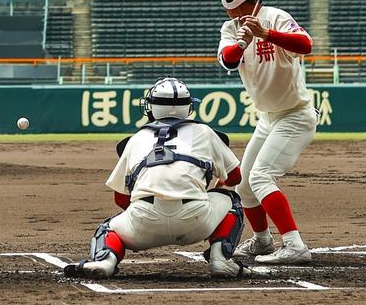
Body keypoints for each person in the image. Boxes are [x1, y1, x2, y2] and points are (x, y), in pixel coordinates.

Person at [62, 77, 246, 280]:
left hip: (144, 221)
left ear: (153, 107)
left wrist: (152, 215)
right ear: (188, 106)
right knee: (233, 202)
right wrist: (216, 187)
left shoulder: (137, 138)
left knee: (107, 229)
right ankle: (220, 259)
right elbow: (235, 176)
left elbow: (120, 199)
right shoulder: (205, 132)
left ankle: (105, 261)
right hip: (196, 220)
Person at [211, 0, 318, 265]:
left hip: (295, 115)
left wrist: (266, 33)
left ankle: (295, 245)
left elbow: (306, 45)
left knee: (261, 176)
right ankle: (262, 240)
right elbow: (229, 61)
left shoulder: (276, 17)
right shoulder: (230, 28)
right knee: (244, 184)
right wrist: (244, 40)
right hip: (268, 118)